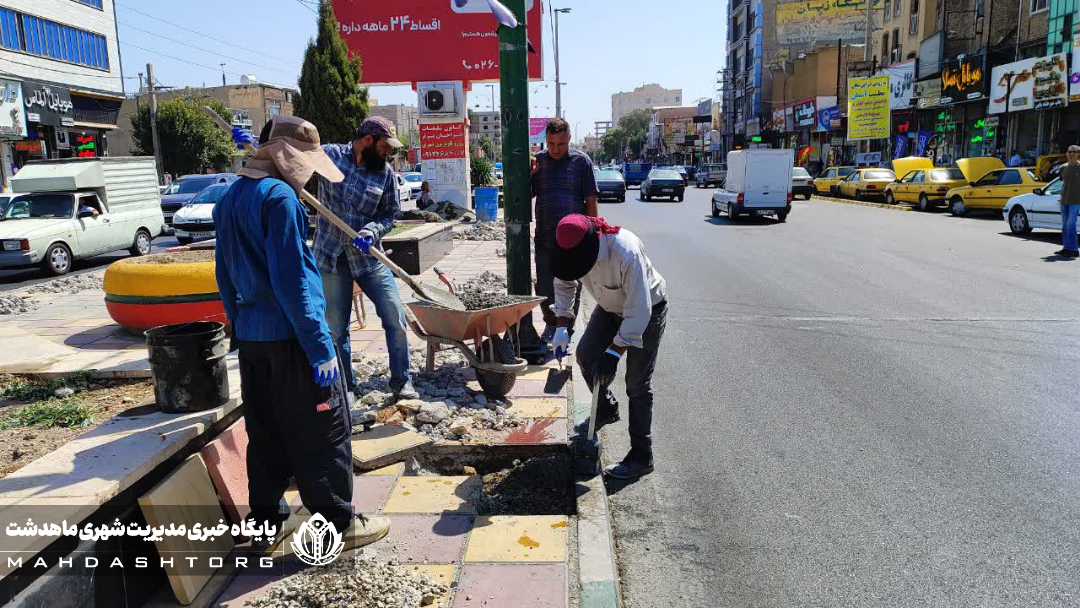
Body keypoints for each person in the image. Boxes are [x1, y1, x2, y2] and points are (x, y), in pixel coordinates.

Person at [215, 116, 390, 554]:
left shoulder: (230, 198)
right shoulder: (281, 199)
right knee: (323, 430)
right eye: (306, 162)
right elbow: (292, 280)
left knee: (267, 431)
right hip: (294, 339)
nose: (311, 172)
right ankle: (337, 524)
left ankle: (266, 523)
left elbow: (222, 275)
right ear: (288, 157)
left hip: (253, 340)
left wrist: (241, 324)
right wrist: (319, 347)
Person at [550, 214, 667, 480]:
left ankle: (642, 455)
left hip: (647, 310)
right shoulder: (570, 251)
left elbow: (639, 311)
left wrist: (614, 353)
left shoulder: (625, 251)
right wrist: (560, 326)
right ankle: (604, 409)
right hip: (609, 308)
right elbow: (564, 283)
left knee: (636, 383)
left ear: (592, 247)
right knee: (586, 355)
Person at [314, 116, 418, 400]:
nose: (389, 153)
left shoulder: (384, 173)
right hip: (332, 257)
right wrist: (260, 146)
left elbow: (389, 214)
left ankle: (401, 382)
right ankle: (345, 388)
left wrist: (372, 230)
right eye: (386, 146)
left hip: (368, 258)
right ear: (368, 140)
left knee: (395, 317)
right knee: (336, 328)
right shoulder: (330, 156)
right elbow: (291, 154)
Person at [531, 118, 599, 342]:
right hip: (545, 236)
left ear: (569, 139)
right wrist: (526, 172)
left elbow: (590, 200)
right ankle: (551, 325)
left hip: (574, 240)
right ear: (545, 141)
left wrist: (593, 235)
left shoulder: (582, 162)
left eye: (560, 144)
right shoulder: (537, 163)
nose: (555, 149)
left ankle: (566, 330)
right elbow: (524, 194)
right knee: (543, 286)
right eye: (551, 144)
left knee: (572, 286)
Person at [1057, 144, 1080, 257]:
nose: (1071, 154)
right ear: (1066, 154)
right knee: (1065, 225)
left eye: (1074, 152)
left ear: (1078, 154)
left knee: (1071, 224)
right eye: (1069, 152)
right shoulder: (1063, 167)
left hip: (1076, 201)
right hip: (1064, 200)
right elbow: (1063, 183)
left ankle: (1074, 249)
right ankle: (1066, 248)